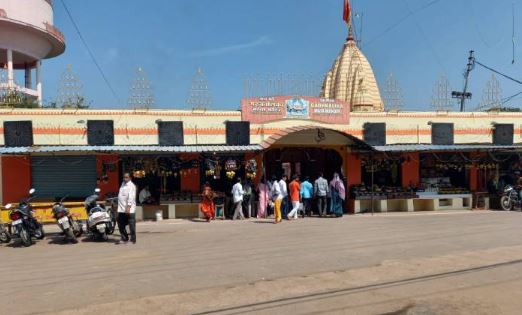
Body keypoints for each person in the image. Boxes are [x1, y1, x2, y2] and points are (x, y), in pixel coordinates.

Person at [117, 172, 137, 244]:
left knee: (131, 224)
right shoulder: (122, 184)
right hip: (121, 209)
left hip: (129, 209)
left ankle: (133, 239)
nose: (124, 179)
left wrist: (128, 207)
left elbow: (131, 197)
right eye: (124, 177)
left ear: (130, 178)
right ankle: (124, 238)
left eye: (126, 177)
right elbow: (121, 195)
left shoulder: (131, 186)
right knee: (120, 223)